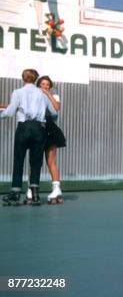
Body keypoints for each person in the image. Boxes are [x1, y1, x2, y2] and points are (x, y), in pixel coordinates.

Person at [1, 69, 57, 206]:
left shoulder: (18, 92)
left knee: (19, 160)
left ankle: (15, 194)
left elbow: (10, 111)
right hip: (39, 128)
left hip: (23, 127)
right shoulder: (42, 94)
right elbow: (54, 113)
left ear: (23, 78)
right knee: (36, 162)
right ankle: (35, 195)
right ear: (35, 79)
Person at [32, 76, 66, 204]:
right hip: (37, 127)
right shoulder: (33, 95)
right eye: (42, 84)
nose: (45, 86)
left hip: (50, 128)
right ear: (38, 85)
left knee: (51, 161)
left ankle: (56, 189)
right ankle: (32, 189)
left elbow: (56, 108)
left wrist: (47, 94)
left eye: (47, 84)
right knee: (35, 161)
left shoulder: (53, 94)